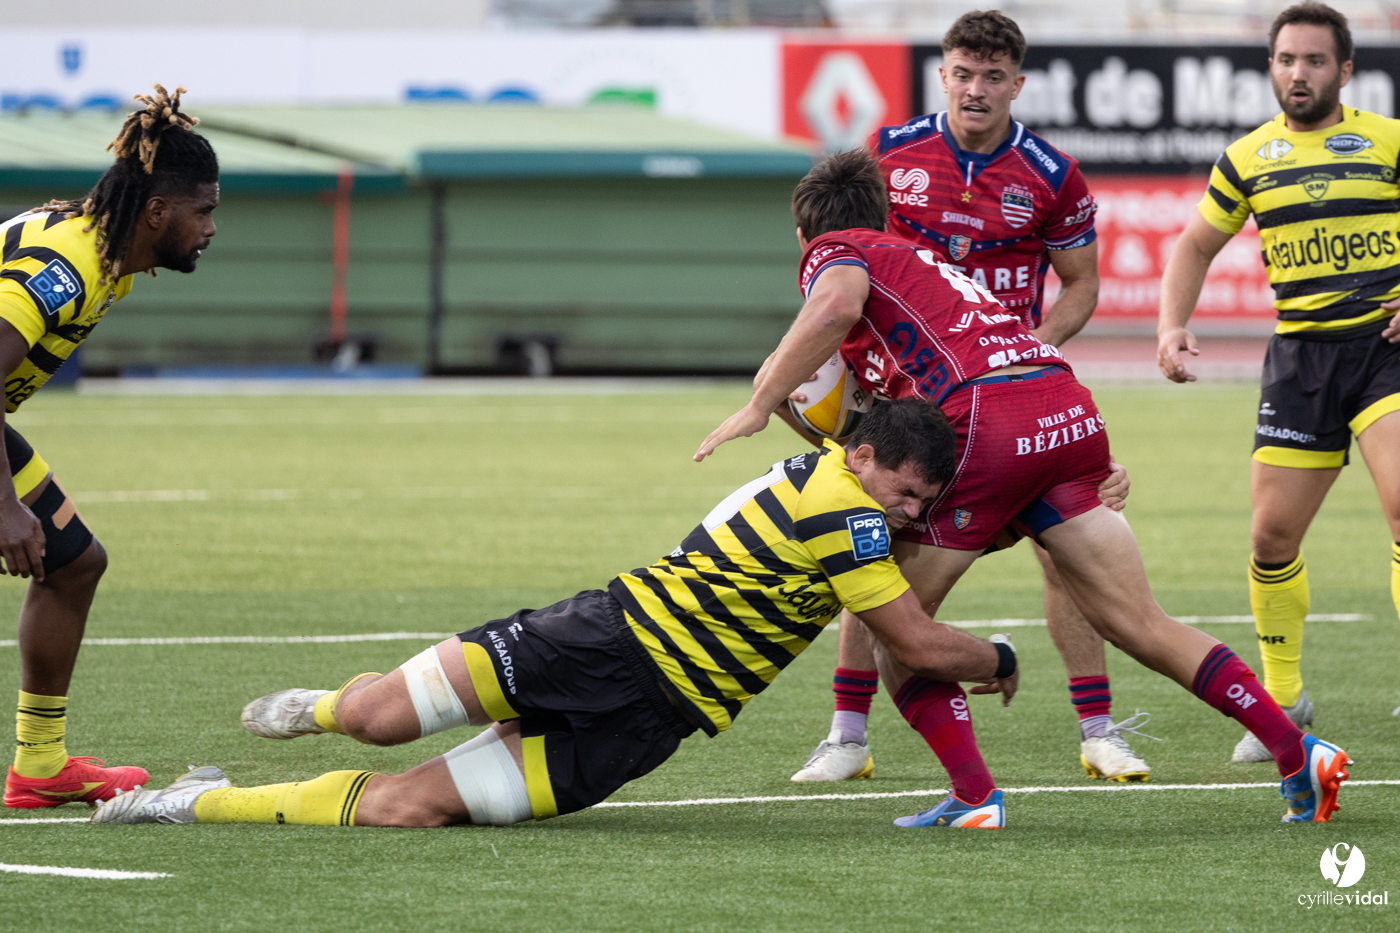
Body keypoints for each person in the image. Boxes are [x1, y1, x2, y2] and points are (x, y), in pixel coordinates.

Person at [696, 148, 1351, 824]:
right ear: (890, 214)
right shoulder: (922, 264)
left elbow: (833, 305)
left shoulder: (837, 250)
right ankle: (1297, 749)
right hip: (1065, 411)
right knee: (1142, 623)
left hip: (989, 422)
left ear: (806, 237)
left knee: (897, 628)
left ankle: (975, 794)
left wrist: (760, 400)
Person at [92, 400, 1025, 830]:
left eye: (923, 502)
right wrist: (997, 653)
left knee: (410, 809)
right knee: (376, 720)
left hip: (647, 724)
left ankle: (190, 799)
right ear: (862, 458)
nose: (913, 516)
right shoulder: (847, 513)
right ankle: (326, 705)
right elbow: (912, 638)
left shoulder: (848, 488)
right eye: (907, 495)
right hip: (601, 637)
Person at [786, 9, 1154, 786]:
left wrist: (1032, 354)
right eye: (963, 72)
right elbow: (849, 270)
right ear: (942, 75)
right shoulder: (888, 153)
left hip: (1010, 398)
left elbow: (1081, 286)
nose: (976, 89)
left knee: (1068, 555)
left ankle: (1099, 730)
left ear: (1017, 84)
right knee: (872, 540)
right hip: (909, 399)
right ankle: (847, 734)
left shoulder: (1053, 175)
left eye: (993, 77)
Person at [1157, 3, 1400, 759]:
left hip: (1384, 349)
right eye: (1287, 60)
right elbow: (1194, 245)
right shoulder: (1247, 158)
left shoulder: (1387, 142)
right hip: (1301, 362)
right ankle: (1284, 696)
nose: (1299, 73)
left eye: (1316, 61)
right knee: (1270, 536)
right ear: (1271, 67)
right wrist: (1171, 325)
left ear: (1345, 71)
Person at [1, 85, 219, 808]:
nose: (212, 227)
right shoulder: (68, 265)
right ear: (157, 211)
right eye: (204, 209)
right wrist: (4, 505)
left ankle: (39, 764)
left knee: (74, 562)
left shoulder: (104, 249)